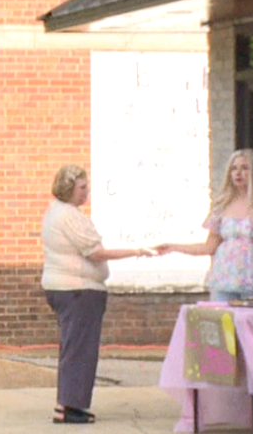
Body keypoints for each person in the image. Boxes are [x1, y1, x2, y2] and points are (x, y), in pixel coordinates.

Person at [42, 164, 160, 424]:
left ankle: (67, 403)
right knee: (81, 349)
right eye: (82, 187)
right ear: (68, 187)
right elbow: (95, 252)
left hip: (64, 288)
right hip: (78, 290)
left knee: (72, 347)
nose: (86, 192)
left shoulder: (55, 212)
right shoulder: (69, 216)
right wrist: (137, 251)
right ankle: (70, 406)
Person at [158, 149, 253, 300]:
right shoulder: (222, 207)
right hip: (224, 278)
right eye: (234, 168)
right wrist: (173, 247)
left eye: (244, 168)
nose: (238, 173)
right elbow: (209, 247)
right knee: (223, 320)